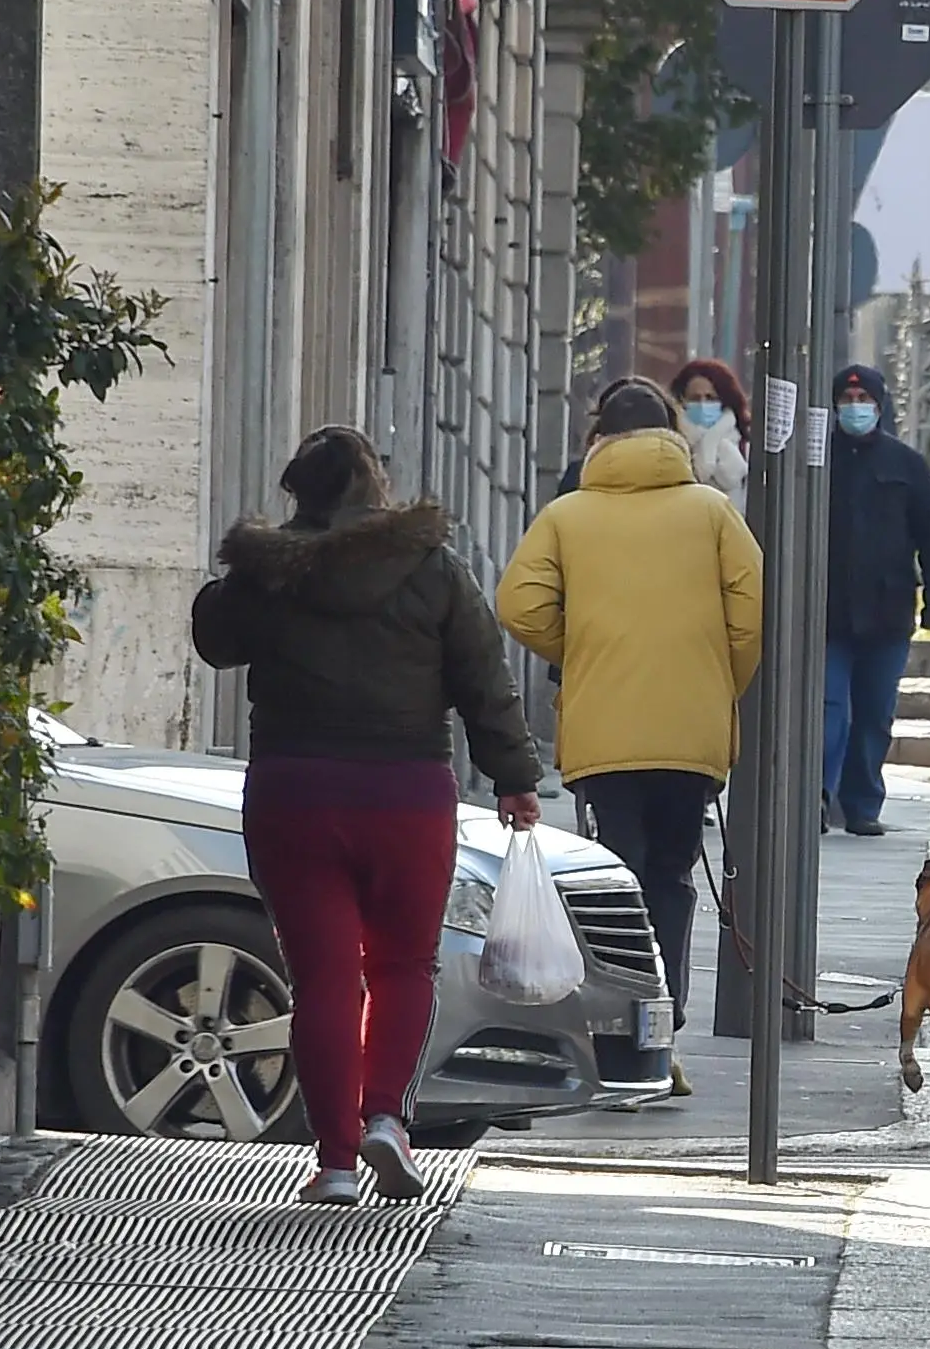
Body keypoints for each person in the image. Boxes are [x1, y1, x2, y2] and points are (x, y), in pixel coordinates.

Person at [190, 426, 542, 1206]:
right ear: (376, 485)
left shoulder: (272, 571)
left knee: (322, 977)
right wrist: (515, 777)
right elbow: (483, 676)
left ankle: (338, 1161)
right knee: (403, 964)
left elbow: (214, 639)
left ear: (300, 491)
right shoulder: (432, 567)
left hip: (296, 789)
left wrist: (245, 563)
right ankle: (386, 1114)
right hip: (407, 791)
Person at [498, 379, 765, 1099]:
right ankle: (662, 1027)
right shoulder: (711, 512)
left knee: (612, 882)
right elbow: (751, 613)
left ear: (600, 441)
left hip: (604, 733)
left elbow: (516, 603)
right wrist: (717, 678)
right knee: (671, 878)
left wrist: (581, 649)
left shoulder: (567, 515)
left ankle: (613, 1032)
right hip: (690, 731)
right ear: (673, 435)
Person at [822, 363, 930, 836]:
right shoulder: (817, 460)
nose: (855, 409)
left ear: (880, 407)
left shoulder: (905, 465)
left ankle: (861, 804)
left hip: (887, 612)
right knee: (828, 708)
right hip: (827, 613)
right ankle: (819, 795)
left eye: (864, 401)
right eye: (847, 400)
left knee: (875, 713)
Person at [674, 356, 752, 501]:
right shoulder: (673, 447)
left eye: (710, 398)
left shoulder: (745, 449)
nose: (703, 404)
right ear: (682, 400)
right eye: (695, 398)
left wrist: (711, 439)